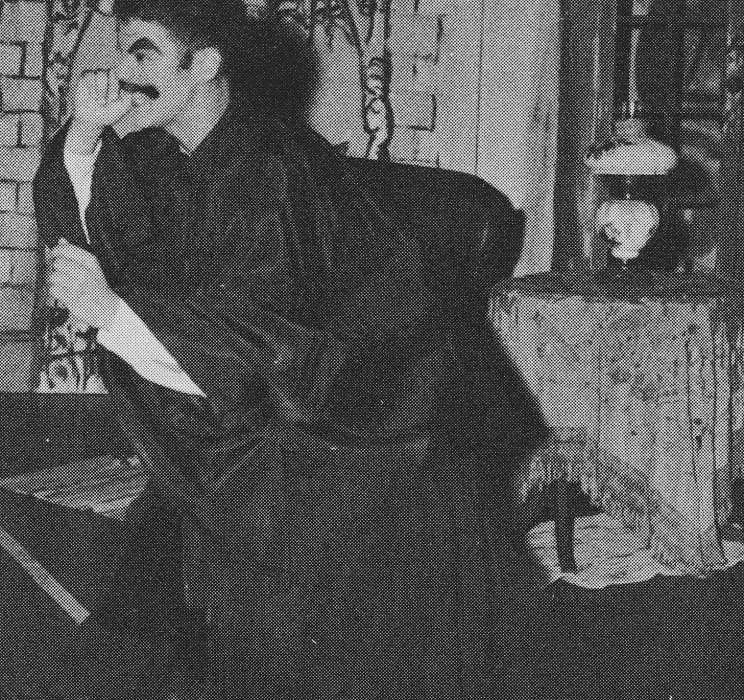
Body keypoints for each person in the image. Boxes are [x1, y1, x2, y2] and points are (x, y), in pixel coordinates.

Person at [33, 1, 545, 697]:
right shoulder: (169, 151)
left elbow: (261, 354)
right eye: (119, 52)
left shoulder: (269, 173)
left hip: (360, 422)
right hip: (260, 408)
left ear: (204, 66)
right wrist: (84, 135)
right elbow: (107, 237)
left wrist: (112, 313)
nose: (117, 73)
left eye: (141, 53)